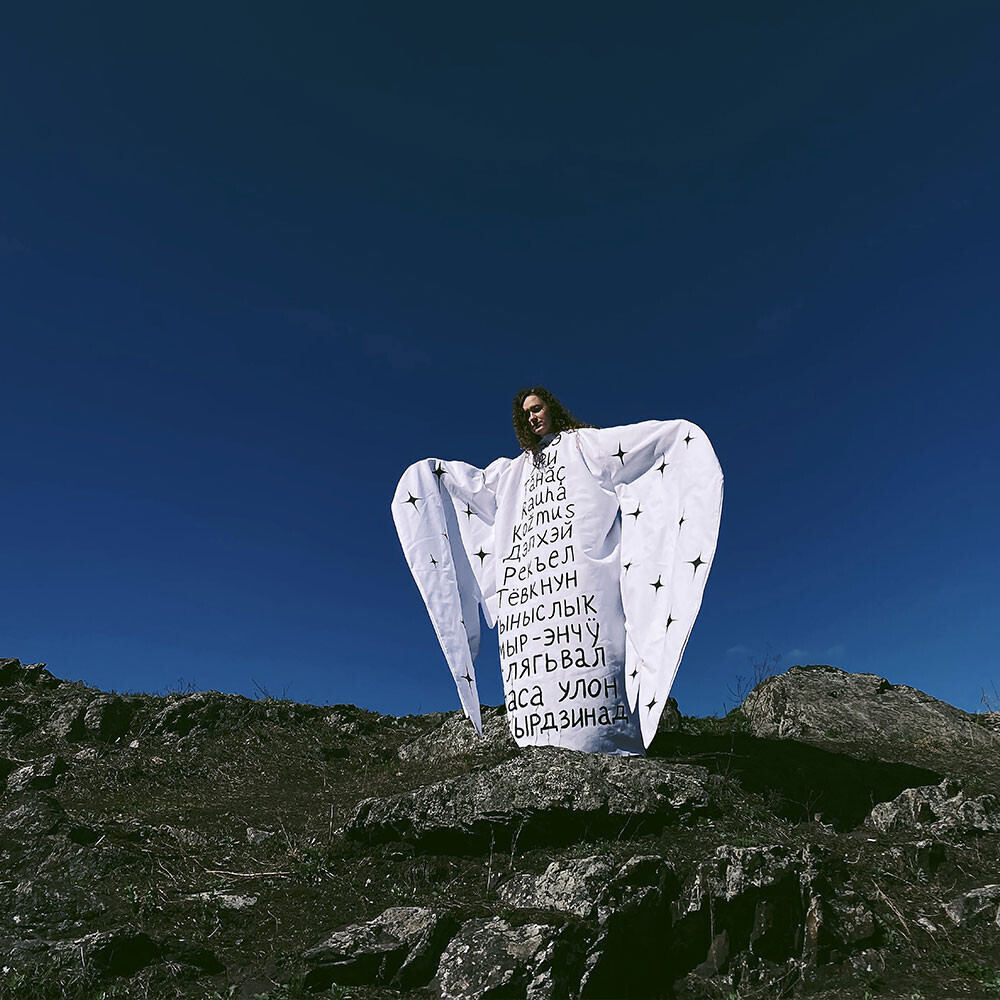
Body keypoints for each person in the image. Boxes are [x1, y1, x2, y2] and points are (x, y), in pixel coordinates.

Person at [392, 387, 723, 755]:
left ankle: (609, 742)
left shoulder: (584, 444)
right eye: (525, 414)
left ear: (552, 409)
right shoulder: (513, 471)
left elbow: (634, 447)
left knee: (597, 660)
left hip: (582, 583)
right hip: (528, 596)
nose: (533, 417)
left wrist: (678, 437)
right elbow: (475, 487)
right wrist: (431, 474)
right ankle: (539, 743)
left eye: (537, 408)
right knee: (538, 676)